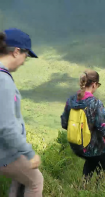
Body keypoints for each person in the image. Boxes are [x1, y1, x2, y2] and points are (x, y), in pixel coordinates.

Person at [60, 69, 105, 183]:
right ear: (94, 84)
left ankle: (84, 186)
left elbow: (64, 123)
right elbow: (103, 128)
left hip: (77, 146)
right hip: (95, 148)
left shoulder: (71, 100)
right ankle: (100, 189)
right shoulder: (95, 103)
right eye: (98, 85)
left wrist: (78, 132)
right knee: (101, 165)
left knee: (90, 163)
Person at [0, 28, 43, 197]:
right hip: (5, 153)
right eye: (26, 55)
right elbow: (6, 126)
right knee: (35, 181)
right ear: (16, 52)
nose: (24, 61)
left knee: (20, 180)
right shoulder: (3, 80)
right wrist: (29, 153)